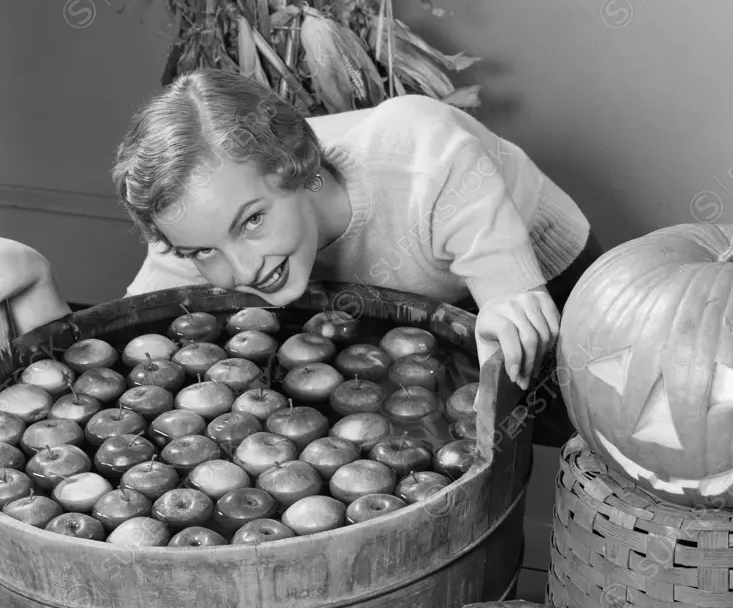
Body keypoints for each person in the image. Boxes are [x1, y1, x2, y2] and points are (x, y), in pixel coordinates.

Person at [1, 70, 601, 433]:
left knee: (563, 416)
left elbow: (510, 301)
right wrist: (35, 285)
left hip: (534, 260)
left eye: (254, 221)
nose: (242, 269)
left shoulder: (429, 162)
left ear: (299, 169)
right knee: (391, 408)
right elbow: (123, 359)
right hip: (386, 292)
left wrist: (508, 301)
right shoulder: (203, 223)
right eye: (203, 251)